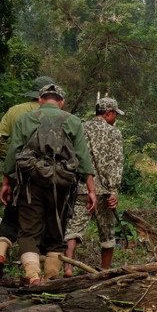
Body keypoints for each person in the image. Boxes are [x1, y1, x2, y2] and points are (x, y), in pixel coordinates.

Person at [0, 83, 95, 284]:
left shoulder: (25, 119)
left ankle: (33, 275)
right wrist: (91, 190)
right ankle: (52, 277)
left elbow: (13, 153)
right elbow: (83, 158)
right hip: (62, 186)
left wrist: (7, 182)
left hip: (29, 184)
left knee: (28, 231)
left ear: (40, 100)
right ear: (61, 102)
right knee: (57, 231)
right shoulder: (74, 121)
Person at [0, 75, 54, 282]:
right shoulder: (58, 115)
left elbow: (0, 140)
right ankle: (38, 272)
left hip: (20, 174)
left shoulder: (15, 111)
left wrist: (10, 163)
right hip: (47, 176)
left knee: (11, 215)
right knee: (41, 221)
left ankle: (0, 254)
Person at [63, 96, 124, 272]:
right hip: (104, 191)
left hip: (81, 189)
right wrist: (114, 190)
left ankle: (68, 267)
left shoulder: (81, 128)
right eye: (115, 114)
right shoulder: (114, 133)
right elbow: (116, 163)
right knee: (107, 234)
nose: (115, 119)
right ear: (109, 113)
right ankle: (104, 271)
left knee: (73, 230)